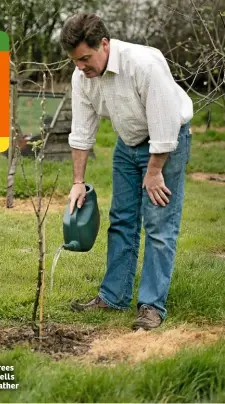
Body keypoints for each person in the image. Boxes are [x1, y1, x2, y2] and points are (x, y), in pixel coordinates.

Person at [60, 12, 193, 330]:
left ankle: (151, 306)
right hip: (128, 141)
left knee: (159, 225)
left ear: (104, 44)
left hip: (166, 141)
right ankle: (113, 296)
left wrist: (154, 171)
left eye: (85, 59)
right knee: (121, 220)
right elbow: (81, 131)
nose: (81, 67)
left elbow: (164, 124)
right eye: (75, 61)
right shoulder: (83, 78)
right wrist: (78, 181)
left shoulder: (144, 64)